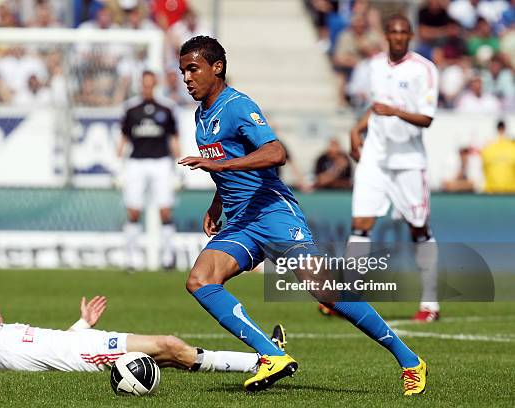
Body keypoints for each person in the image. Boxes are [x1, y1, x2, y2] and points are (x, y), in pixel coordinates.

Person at [178, 35, 427, 395]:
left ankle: (409, 360)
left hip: (274, 212)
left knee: (325, 291)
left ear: (217, 68)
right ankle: (270, 355)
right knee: (200, 280)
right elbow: (229, 165)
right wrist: (217, 204)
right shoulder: (202, 115)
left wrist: (219, 164)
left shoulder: (236, 105)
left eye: (193, 68)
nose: (186, 77)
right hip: (242, 220)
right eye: (183, 70)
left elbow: (276, 152)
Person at [0, 281, 262, 373]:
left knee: (168, 357)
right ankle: (259, 363)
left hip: (87, 343)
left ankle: (261, 361)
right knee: (169, 344)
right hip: (89, 355)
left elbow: (50, 347)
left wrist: (83, 323)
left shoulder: (7, 330)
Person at [349, 15, 440, 323]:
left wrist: (395, 112)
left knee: (419, 228)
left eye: (404, 32)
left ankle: (430, 303)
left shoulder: (424, 70)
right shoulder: (374, 65)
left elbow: (427, 118)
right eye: (394, 31)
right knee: (361, 224)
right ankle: (350, 297)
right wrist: (356, 130)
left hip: (408, 160)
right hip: (375, 155)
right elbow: (375, 107)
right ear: (387, 34)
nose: (399, 36)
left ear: (411, 35)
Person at [117, 70, 180, 270]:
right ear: (140, 85)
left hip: (161, 162)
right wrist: (117, 165)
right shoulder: (131, 109)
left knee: (165, 210)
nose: (147, 87)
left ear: (155, 84)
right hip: (136, 162)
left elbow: (174, 138)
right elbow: (124, 138)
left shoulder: (166, 108)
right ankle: (131, 258)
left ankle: (168, 257)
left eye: (150, 84)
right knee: (134, 211)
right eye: (144, 84)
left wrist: (179, 167)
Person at [481, 120, 515, 193]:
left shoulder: (487, 147)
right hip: (510, 192)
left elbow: (483, 168)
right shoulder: (512, 146)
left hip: (492, 192)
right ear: (504, 129)